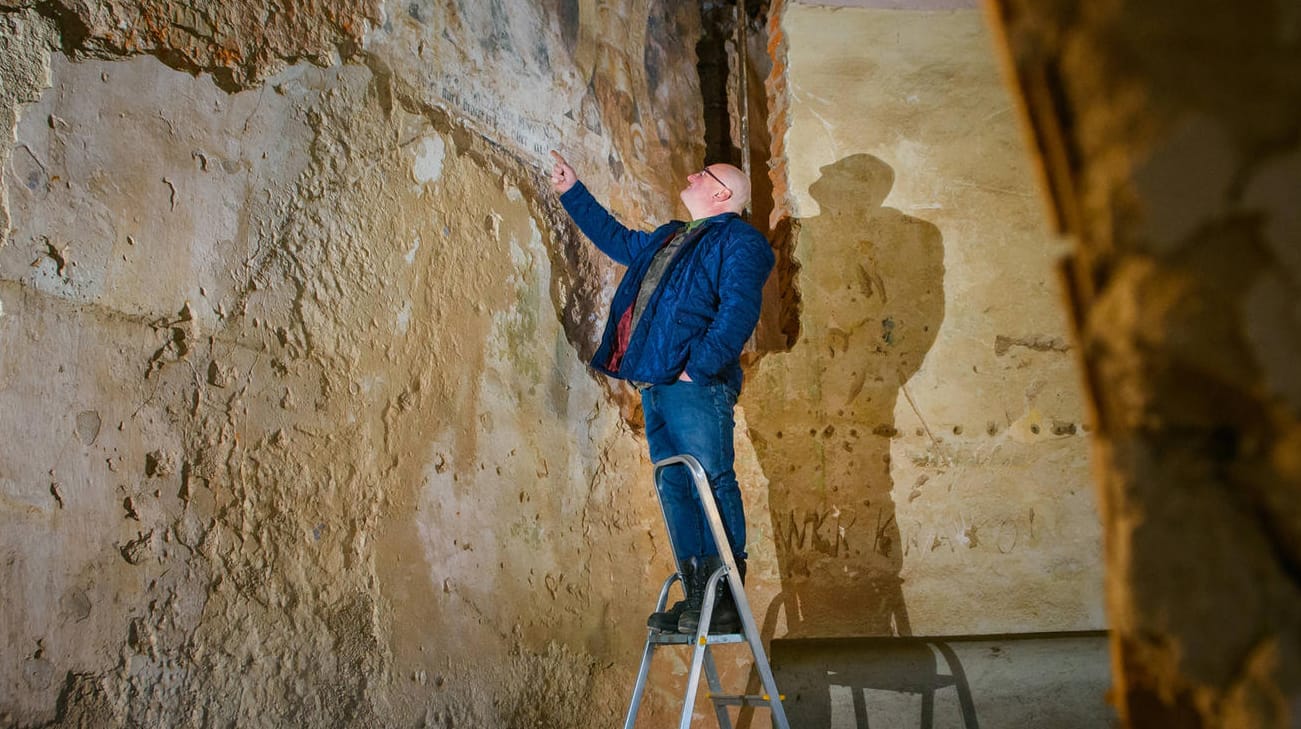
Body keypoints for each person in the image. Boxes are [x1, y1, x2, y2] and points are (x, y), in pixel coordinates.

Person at [549, 150, 774, 634]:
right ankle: (698, 595)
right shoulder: (670, 237)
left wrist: (699, 368)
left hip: (693, 384)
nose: (692, 175)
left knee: (712, 479)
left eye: (704, 174)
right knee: (675, 484)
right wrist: (573, 191)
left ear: (722, 193)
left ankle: (727, 597)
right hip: (656, 383)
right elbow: (616, 239)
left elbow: (738, 310)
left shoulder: (741, 241)